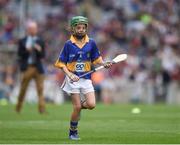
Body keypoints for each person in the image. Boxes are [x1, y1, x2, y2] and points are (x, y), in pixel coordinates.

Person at [54, 16, 112, 140]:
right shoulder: (68, 44)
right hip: (73, 79)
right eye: (78, 27)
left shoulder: (91, 43)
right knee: (77, 108)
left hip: (86, 79)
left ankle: (79, 106)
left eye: (83, 27)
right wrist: (69, 74)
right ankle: (73, 132)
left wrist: (104, 64)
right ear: (73, 29)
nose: (81, 30)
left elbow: (97, 59)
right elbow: (61, 63)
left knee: (91, 104)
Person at [15, 21, 46, 114]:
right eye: (31, 29)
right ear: (28, 30)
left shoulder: (40, 41)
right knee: (23, 88)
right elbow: (19, 54)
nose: (33, 30)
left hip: (38, 67)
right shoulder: (23, 41)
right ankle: (18, 107)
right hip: (27, 67)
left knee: (40, 89)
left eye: (34, 29)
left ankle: (42, 109)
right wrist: (27, 50)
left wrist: (39, 50)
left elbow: (43, 55)